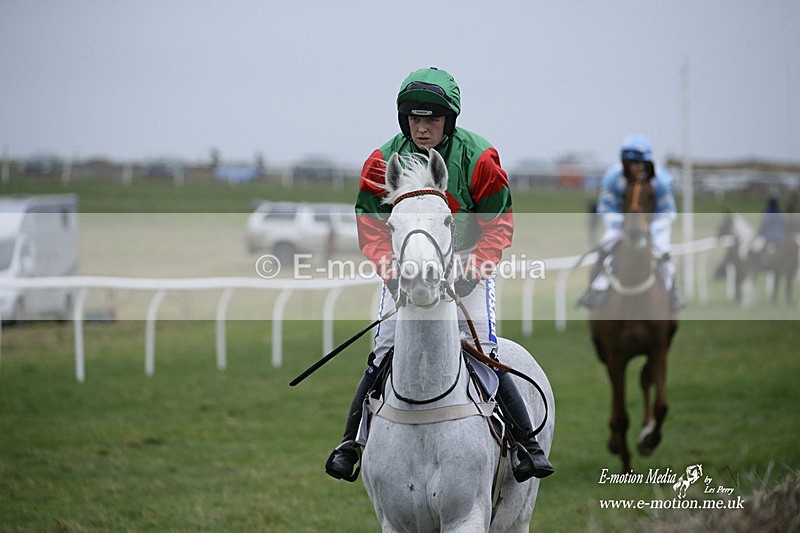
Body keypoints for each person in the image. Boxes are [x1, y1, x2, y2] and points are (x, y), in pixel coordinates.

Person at [325, 67, 554, 483]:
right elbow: (371, 226)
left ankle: (525, 444)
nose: (422, 127)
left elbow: (499, 224)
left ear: (449, 120)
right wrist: (391, 272)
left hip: (466, 263)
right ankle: (351, 442)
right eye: (415, 118)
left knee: (481, 348)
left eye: (432, 119)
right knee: (384, 348)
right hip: (406, 266)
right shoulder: (381, 162)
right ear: (404, 119)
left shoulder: (480, 157)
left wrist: (472, 271)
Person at [577, 133, 683, 312]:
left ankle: (671, 294)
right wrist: (624, 223)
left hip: (654, 226)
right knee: (604, 250)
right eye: (629, 163)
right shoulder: (613, 177)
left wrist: (648, 228)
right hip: (622, 224)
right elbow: (606, 207)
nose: (634, 167)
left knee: (664, 254)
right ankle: (593, 289)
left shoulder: (661, 181)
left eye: (638, 163)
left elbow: (667, 213)